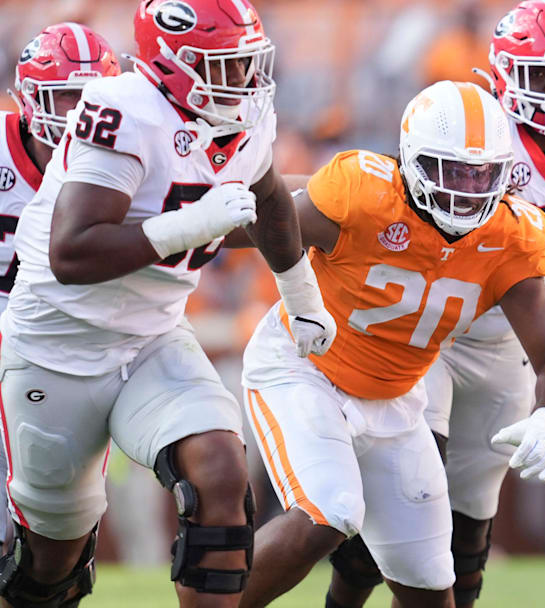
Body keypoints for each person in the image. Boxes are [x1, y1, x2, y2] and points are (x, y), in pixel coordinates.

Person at [0, 1, 336, 606]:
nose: (242, 81)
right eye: (223, 64)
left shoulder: (247, 114)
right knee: (51, 563)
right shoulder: (121, 109)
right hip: (58, 344)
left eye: (246, 63)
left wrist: (301, 294)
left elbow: (272, 204)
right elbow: (71, 255)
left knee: (221, 469)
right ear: (172, 62)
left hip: (153, 334)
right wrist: (190, 224)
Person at [322, 4, 545, 607]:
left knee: (469, 524)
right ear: (505, 72)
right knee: (407, 482)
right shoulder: (471, 122)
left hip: (510, 337)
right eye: (544, 75)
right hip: (431, 325)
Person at [237, 80, 545, 608]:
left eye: (482, 172)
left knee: (428, 587)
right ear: (412, 161)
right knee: (328, 514)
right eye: (453, 171)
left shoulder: (510, 235)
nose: (468, 188)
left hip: (397, 400)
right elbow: (270, 218)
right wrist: (183, 232)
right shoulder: (364, 192)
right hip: (304, 368)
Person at [0, 22, 122, 559]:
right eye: (66, 95)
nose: (77, 114)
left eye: (91, 98)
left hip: (58, 359)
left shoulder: (122, 161)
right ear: (27, 99)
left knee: (52, 545)